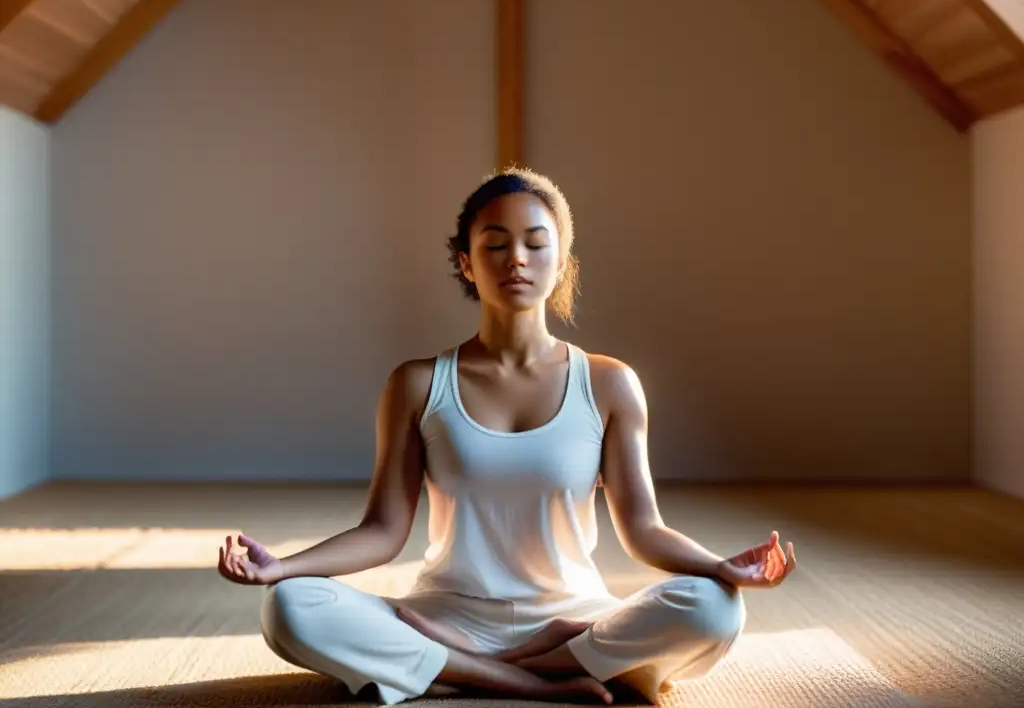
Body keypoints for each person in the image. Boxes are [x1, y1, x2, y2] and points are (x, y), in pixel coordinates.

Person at [216, 168, 797, 705]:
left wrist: (722, 568)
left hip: (577, 612)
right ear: (467, 263)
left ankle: (460, 668)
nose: (515, 258)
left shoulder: (610, 383)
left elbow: (643, 529)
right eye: (494, 244)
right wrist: (282, 568)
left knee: (715, 609)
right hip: (446, 612)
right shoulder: (417, 384)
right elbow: (382, 531)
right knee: (290, 608)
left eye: (535, 243)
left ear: (561, 260)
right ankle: (535, 678)